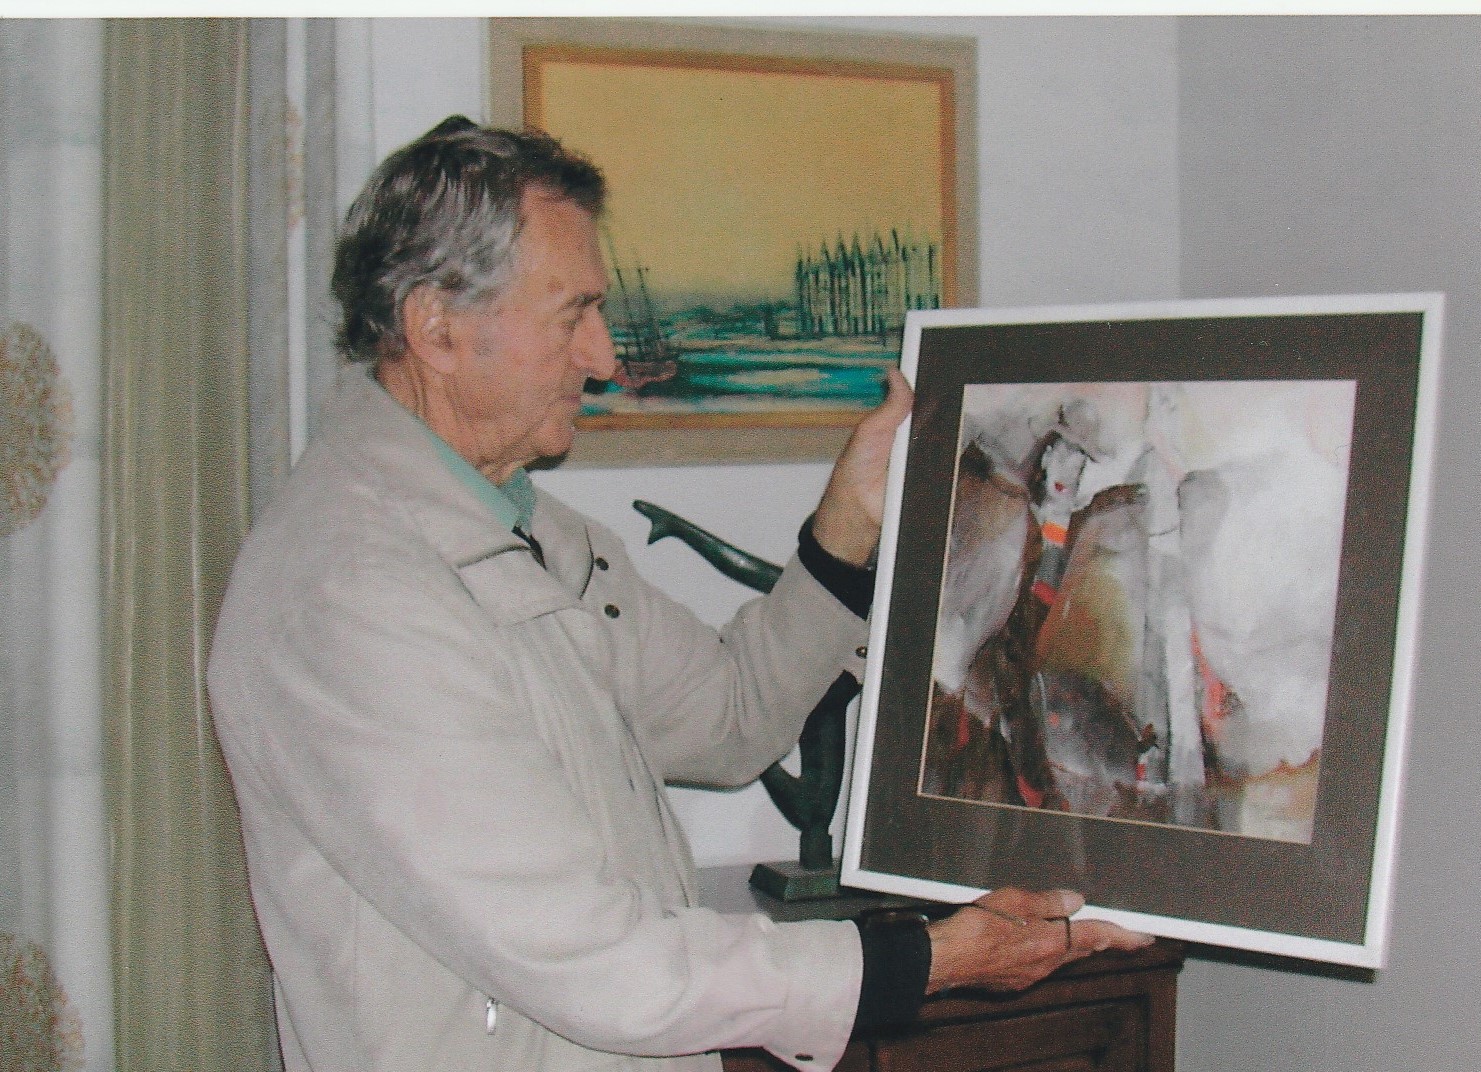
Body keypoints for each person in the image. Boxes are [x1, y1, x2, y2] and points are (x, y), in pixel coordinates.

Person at [207, 116, 1149, 1072]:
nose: (605, 356)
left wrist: (852, 520)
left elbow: (729, 718)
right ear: (435, 327)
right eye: (572, 314)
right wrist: (933, 961)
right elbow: (603, 967)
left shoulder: (533, 532)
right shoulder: (352, 594)